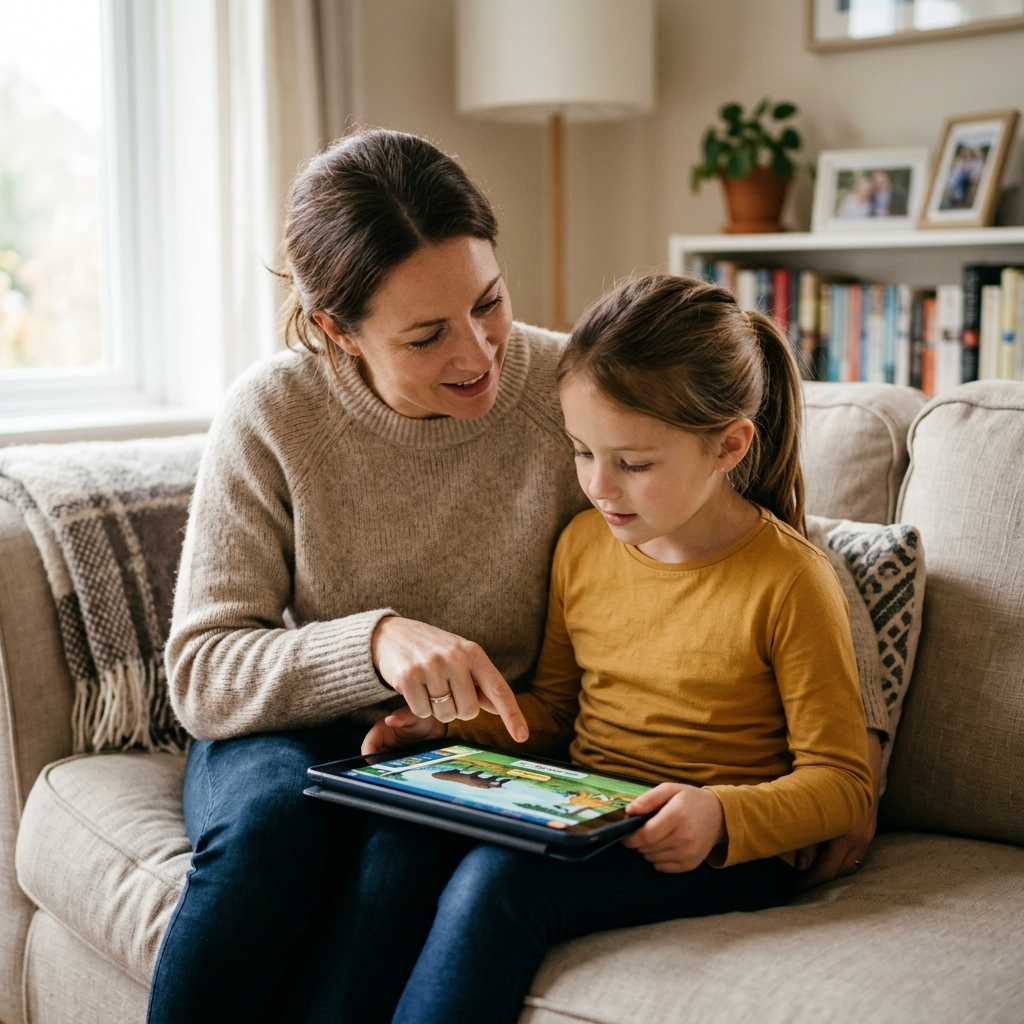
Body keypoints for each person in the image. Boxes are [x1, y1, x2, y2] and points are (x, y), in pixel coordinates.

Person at [146, 129, 589, 1024]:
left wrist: (855, 749)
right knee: (276, 827)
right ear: (333, 330)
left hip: (470, 748)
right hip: (288, 731)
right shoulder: (275, 412)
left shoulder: (573, 388)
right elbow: (201, 670)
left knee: (401, 861)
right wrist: (375, 642)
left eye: (490, 304)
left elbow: (753, 529)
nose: (477, 356)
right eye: (426, 336)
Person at [349, 275, 875, 1024]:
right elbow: (555, 713)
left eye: (633, 463)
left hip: (716, 855)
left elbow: (842, 783)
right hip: (588, 808)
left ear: (728, 445)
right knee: (394, 849)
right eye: (581, 452)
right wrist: (449, 728)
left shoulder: (790, 581)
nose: (599, 485)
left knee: (496, 886)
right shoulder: (582, 546)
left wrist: (720, 816)